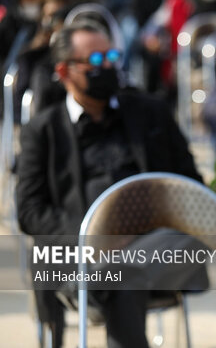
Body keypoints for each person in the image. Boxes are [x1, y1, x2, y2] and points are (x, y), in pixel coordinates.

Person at [16, 20, 203, 348]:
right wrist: (94, 236)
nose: (109, 67)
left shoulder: (151, 113)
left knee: (120, 271)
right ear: (64, 71)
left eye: (112, 56)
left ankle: (100, 276)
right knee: (121, 276)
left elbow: (191, 185)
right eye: (97, 61)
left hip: (161, 245)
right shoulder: (42, 132)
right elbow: (30, 211)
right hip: (84, 250)